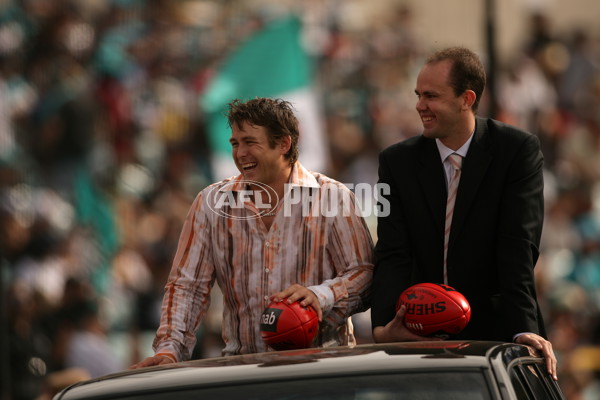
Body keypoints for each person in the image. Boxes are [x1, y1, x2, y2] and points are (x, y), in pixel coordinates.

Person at [131, 97, 373, 367]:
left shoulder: (333, 196)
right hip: (244, 373)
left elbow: (363, 272)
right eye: (235, 143)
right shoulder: (210, 202)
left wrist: (321, 295)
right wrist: (170, 350)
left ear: (284, 144)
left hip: (323, 369)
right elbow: (188, 287)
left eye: (250, 142)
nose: (239, 153)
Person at [370, 47, 558, 380]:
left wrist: (522, 329)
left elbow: (518, 246)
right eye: (418, 95)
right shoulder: (395, 162)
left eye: (431, 96)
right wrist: (385, 326)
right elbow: (392, 251)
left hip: (495, 337)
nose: (419, 105)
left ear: (466, 98)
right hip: (417, 338)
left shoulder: (516, 150)